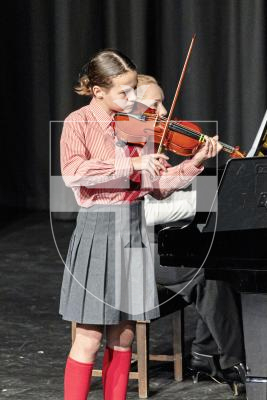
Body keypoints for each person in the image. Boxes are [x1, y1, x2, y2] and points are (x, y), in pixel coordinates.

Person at [59, 50, 222, 400]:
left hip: (133, 229)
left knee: (125, 335)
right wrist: (131, 166)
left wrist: (193, 163)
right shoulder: (78, 123)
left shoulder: (136, 128)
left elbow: (157, 189)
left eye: (134, 91)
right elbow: (74, 174)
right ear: (96, 90)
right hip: (98, 230)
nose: (132, 100)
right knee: (89, 336)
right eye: (124, 93)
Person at [136, 74, 246, 389]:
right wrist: (201, 203)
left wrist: (199, 165)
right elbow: (141, 213)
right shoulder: (123, 146)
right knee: (205, 272)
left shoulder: (147, 142)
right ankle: (233, 363)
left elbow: (161, 190)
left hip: (153, 244)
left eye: (163, 101)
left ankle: (208, 357)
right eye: (154, 103)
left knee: (218, 264)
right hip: (130, 251)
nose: (164, 110)